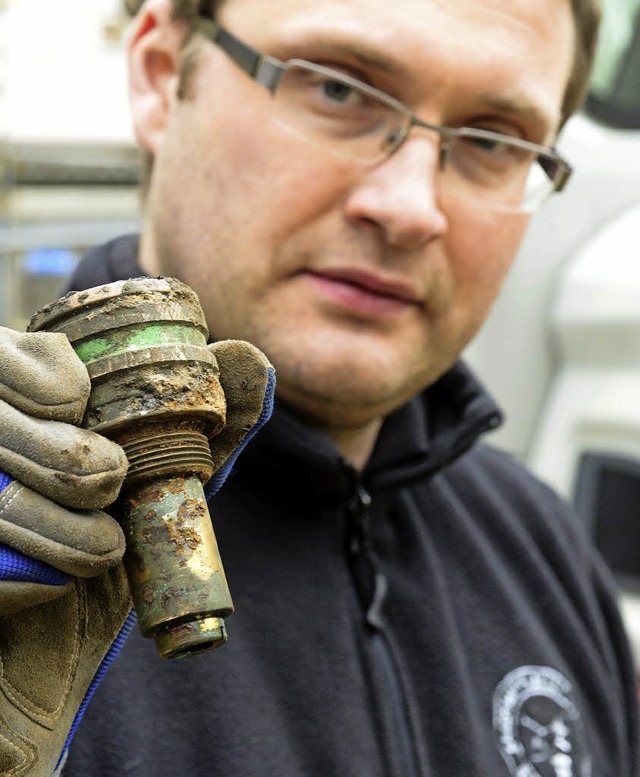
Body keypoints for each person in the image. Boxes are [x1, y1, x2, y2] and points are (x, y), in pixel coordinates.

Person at [0, 0, 637, 775]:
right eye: (339, 89)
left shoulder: (545, 551)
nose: (408, 208)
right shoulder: (21, 573)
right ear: (162, 75)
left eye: (493, 140)